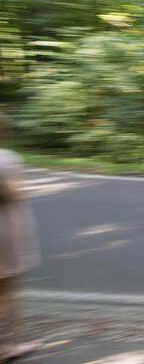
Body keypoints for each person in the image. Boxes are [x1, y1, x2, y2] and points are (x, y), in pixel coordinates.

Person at [0, 113, 41, 362]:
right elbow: (15, 193)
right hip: (5, 234)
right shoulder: (6, 159)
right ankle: (8, 346)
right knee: (7, 293)